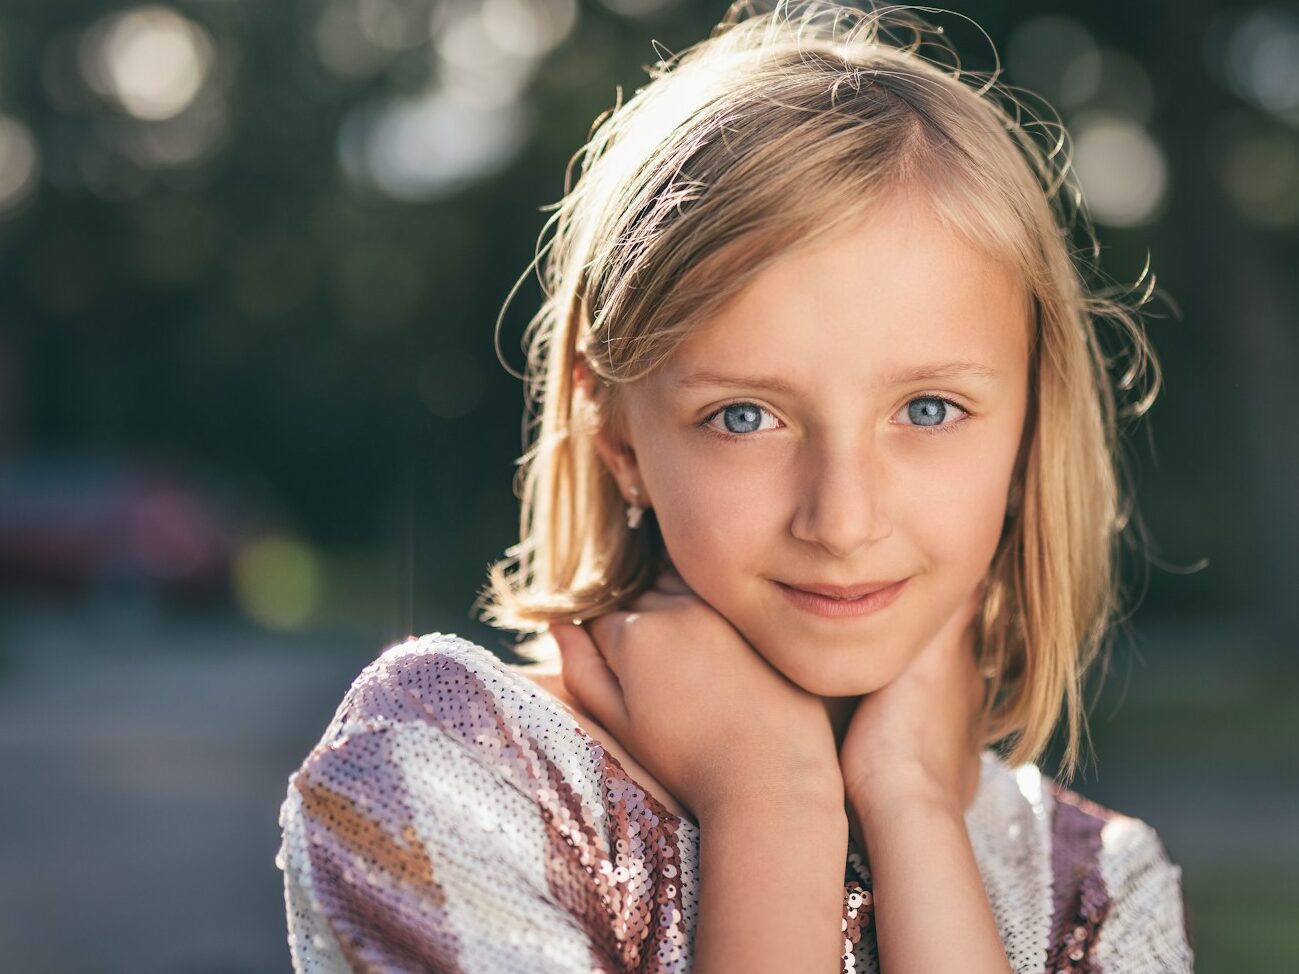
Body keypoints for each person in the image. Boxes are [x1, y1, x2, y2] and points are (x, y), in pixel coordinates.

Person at [276, 2, 1194, 971]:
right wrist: (771, 797)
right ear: (619, 432)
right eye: (746, 416)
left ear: (1030, 429)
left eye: (927, 410)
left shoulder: (1102, 886)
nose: (841, 520)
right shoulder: (448, 771)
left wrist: (913, 802)